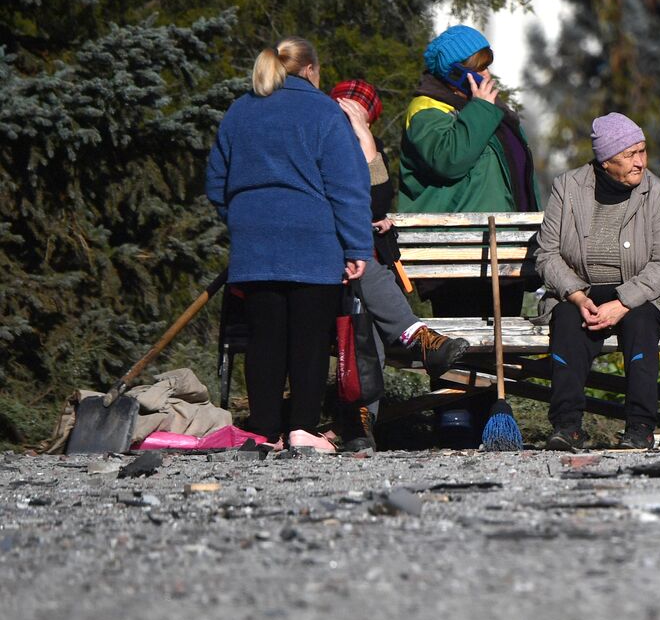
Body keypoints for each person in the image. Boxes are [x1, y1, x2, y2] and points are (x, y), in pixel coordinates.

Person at [206, 37, 371, 452]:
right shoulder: (323, 112)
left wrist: (245, 221)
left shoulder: (240, 110)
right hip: (314, 243)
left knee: (264, 339)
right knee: (309, 340)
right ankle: (301, 429)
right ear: (311, 70)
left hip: (254, 245)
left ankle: (264, 432)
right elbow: (348, 186)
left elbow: (215, 183)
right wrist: (356, 248)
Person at [531, 113, 660, 451]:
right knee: (567, 322)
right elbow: (547, 254)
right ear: (606, 161)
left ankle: (640, 428)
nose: (640, 162)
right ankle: (567, 426)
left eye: (642, 152)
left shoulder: (658, 196)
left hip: (643, 291)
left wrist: (623, 303)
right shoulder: (568, 188)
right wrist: (574, 294)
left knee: (641, 323)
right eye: (630, 155)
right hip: (582, 288)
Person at [330, 79, 474, 450]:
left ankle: (360, 426)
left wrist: (364, 139)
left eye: (358, 116)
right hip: (322, 269)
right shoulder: (319, 142)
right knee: (363, 270)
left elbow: (376, 203)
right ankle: (417, 338)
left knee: (368, 322)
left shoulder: (359, 147)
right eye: (343, 110)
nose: (347, 120)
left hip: (353, 283)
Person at [397, 25, 540, 319]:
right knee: (467, 354)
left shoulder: (482, 106)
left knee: (501, 353)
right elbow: (449, 159)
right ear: (454, 73)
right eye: (480, 68)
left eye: (488, 67)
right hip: (458, 257)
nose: (487, 75)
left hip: (504, 251)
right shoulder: (427, 109)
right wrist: (482, 110)